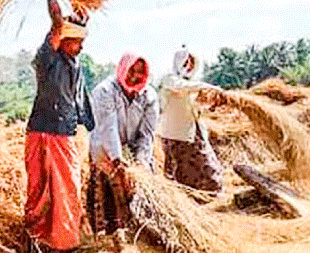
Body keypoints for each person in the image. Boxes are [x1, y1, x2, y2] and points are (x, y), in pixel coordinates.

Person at [23, 0, 95, 251]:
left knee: (67, 190)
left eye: (81, 41)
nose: (80, 46)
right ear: (61, 40)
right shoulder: (47, 59)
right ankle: (36, 242)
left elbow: (79, 18)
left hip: (63, 133)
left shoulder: (73, 64)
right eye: (75, 40)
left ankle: (64, 243)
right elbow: (56, 22)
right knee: (39, 192)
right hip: (41, 131)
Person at [88, 53, 159, 236]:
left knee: (141, 193)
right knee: (108, 198)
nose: (135, 76)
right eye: (131, 71)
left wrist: (141, 162)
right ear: (123, 69)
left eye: (140, 73)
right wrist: (118, 160)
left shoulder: (149, 96)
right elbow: (108, 128)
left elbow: (147, 134)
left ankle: (139, 233)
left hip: (132, 149)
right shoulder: (104, 91)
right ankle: (107, 237)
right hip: (105, 149)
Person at [158, 47, 224, 192]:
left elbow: (196, 109)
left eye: (192, 64)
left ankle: (208, 197)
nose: (189, 67)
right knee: (178, 174)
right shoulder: (170, 80)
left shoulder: (194, 86)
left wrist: (211, 104)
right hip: (175, 136)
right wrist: (209, 87)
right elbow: (182, 88)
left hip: (194, 134)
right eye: (186, 63)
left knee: (209, 169)